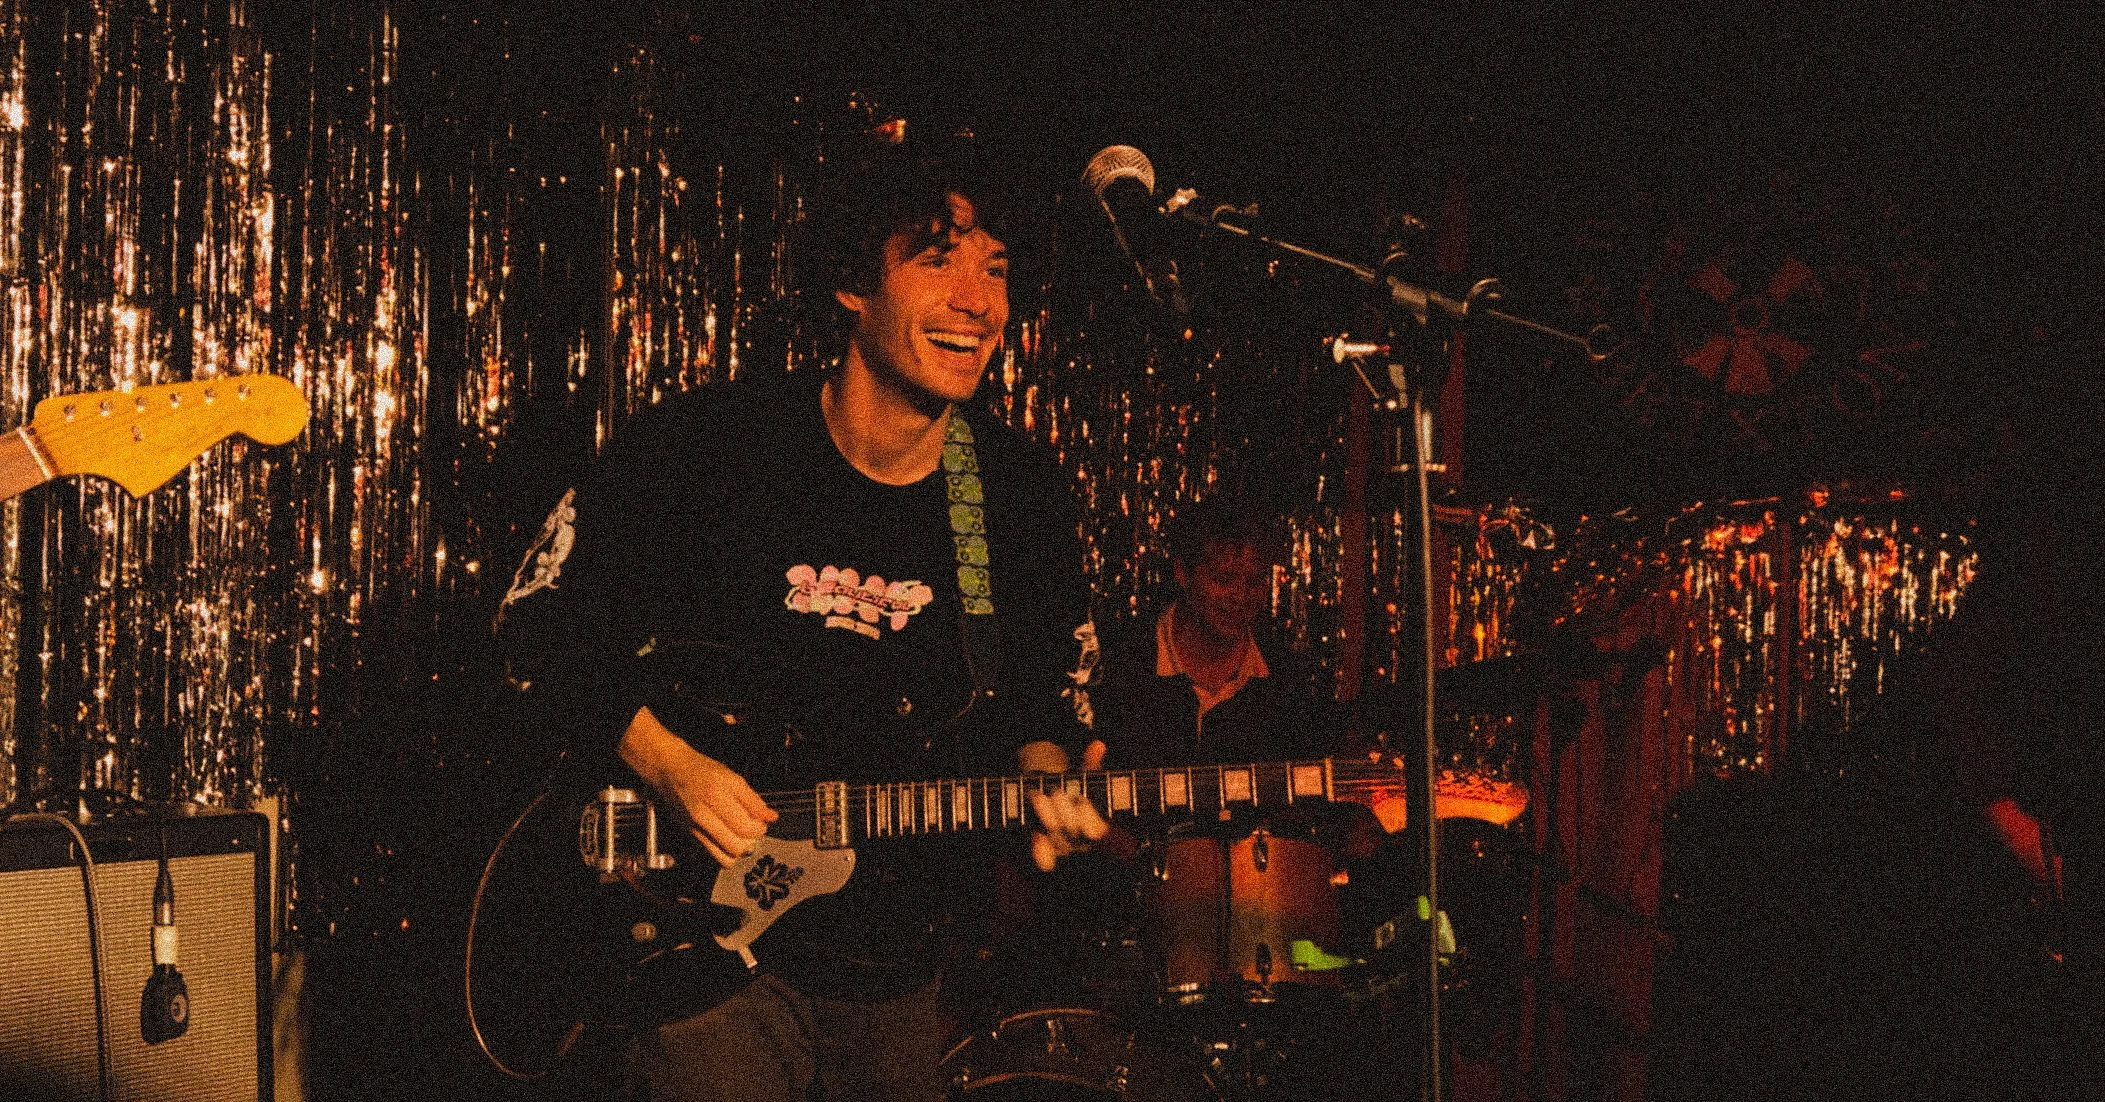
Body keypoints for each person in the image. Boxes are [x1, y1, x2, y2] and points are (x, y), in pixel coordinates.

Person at [498, 135, 1108, 1102]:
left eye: (995, 270)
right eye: (937, 260)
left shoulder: (1018, 500)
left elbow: (1041, 707)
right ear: (851, 285)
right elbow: (535, 622)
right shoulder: (708, 447)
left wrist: (1047, 781)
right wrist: (670, 765)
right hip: (688, 946)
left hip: (894, 964)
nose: (977, 302)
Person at [1088, 499, 1336, 767]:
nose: (1240, 596)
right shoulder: (1118, 664)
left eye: (1254, 581)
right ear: (1182, 573)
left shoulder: (1284, 680)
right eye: (1223, 579)